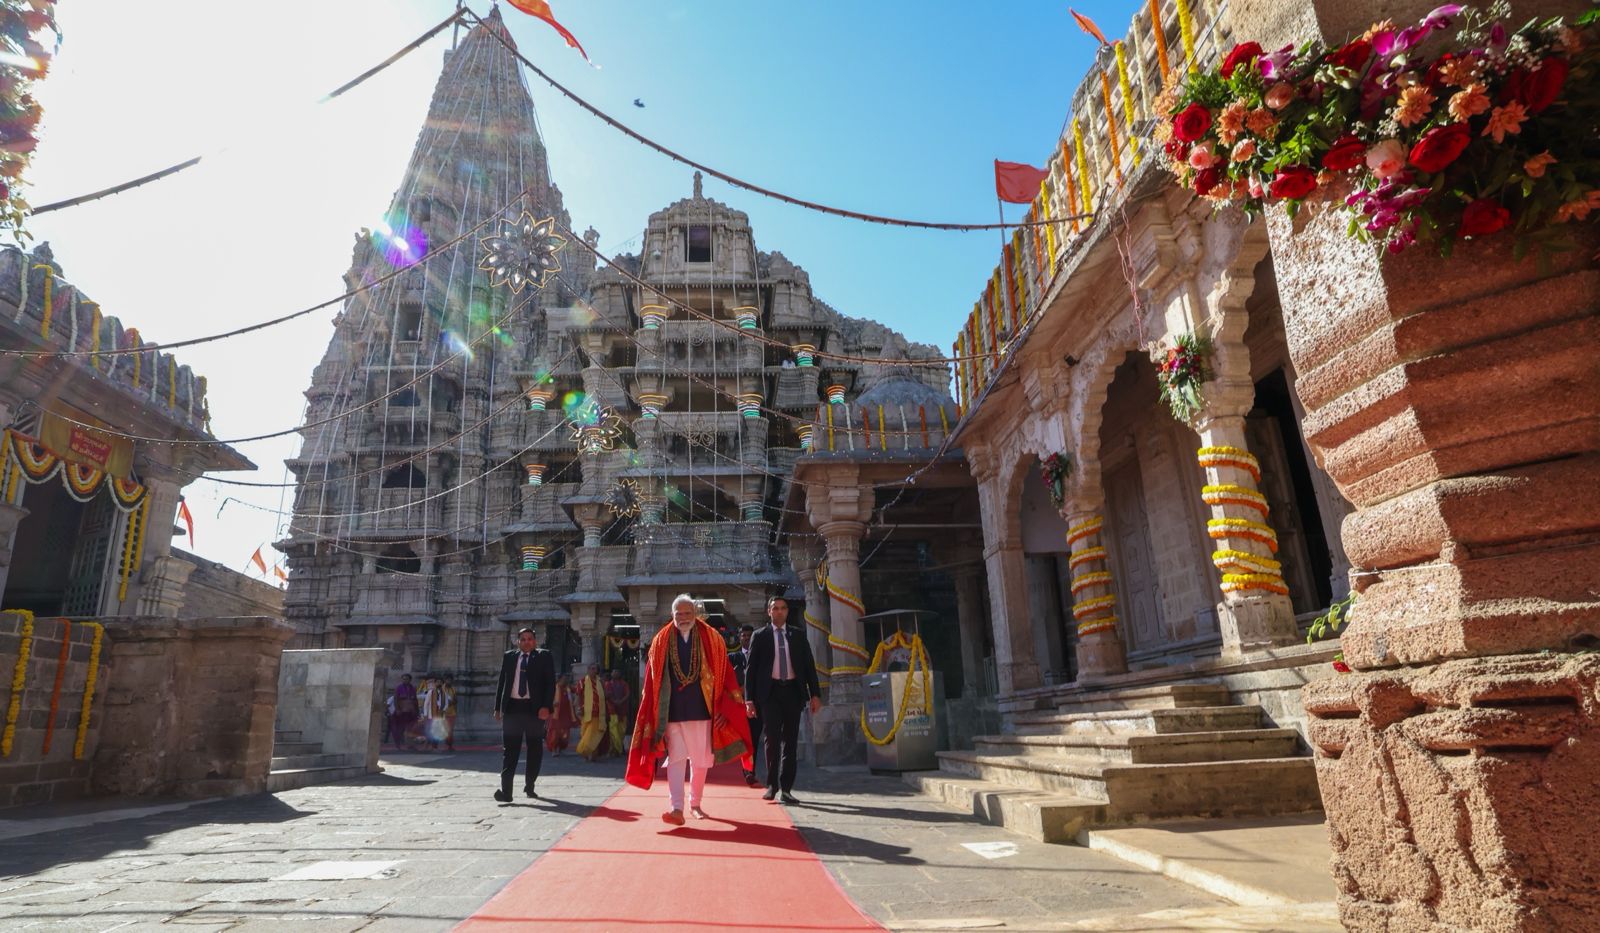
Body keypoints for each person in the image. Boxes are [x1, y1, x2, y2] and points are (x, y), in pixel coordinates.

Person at [626, 594, 751, 825]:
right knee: (676, 759)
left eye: (687, 613)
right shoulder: (661, 640)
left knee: (701, 760)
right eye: (679, 614)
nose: (683, 618)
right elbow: (652, 684)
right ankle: (676, 808)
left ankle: (695, 803)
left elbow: (726, 678)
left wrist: (725, 709)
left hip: (703, 710)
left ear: (694, 614)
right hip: (672, 712)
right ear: (671, 615)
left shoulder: (712, 638)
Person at [744, 596, 822, 804]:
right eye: (775, 608)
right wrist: (749, 700)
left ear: (787, 611)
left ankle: (787, 788)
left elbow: (808, 666)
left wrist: (815, 694)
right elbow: (750, 670)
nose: (779, 612)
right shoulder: (760, 636)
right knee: (772, 740)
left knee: (791, 740)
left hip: (793, 692)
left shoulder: (797, 635)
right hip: (769, 694)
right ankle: (772, 785)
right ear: (769, 611)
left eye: (783, 608)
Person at [493, 627, 555, 801]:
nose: (526, 642)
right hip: (512, 708)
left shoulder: (543, 656)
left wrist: (546, 707)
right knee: (510, 750)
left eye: (530, 639)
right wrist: (498, 707)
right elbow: (502, 683)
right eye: (523, 639)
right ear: (518, 641)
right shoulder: (509, 657)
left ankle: (530, 786)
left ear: (535, 641)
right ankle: (506, 792)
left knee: (534, 749)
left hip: (533, 709)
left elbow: (550, 683)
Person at [728, 625, 763, 788]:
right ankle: (745, 769)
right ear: (739, 638)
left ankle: (750, 770)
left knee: (754, 739)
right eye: (744, 635)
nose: (747, 638)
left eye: (750, 635)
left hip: (757, 705)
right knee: (742, 739)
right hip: (738, 706)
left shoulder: (761, 657)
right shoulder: (733, 658)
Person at [576, 665, 608, 761]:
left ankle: (591, 754)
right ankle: (585, 752)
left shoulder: (600, 682)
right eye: (592, 669)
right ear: (588, 670)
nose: (594, 671)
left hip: (599, 713)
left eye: (596, 669)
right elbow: (578, 695)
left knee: (595, 735)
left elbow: (605, 695)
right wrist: (578, 708)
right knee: (586, 734)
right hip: (586, 712)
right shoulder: (582, 682)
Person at [545, 673, 575, 756]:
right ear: (560, 679)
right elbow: (547, 698)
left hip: (566, 715)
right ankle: (554, 749)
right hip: (556, 715)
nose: (566, 680)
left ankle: (559, 748)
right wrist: (551, 703)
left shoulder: (568, 688)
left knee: (565, 735)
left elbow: (578, 690)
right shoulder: (554, 688)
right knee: (555, 734)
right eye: (565, 679)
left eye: (567, 679)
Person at [605, 669, 631, 756]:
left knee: (621, 732)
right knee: (613, 731)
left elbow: (627, 694)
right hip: (612, 711)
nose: (615, 673)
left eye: (617, 672)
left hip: (622, 711)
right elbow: (607, 695)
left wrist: (620, 701)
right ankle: (617, 749)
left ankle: (617, 749)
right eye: (613, 672)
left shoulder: (624, 684)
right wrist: (614, 701)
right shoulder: (608, 684)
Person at [390, 674, 418, 748]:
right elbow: (396, 699)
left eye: (407, 679)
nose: (405, 680)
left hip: (411, 712)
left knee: (410, 729)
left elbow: (415, 700)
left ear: (410, 680)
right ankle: (398, 744)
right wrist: (397, 709)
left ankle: (410, 744)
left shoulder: (413, 688)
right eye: (404, 679)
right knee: (400, 729)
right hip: (402, 712)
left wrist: (416, 710)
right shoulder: (399, 688)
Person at [439, 676, 458, 751]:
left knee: (450, 730)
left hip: (452, 712)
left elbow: (456, 700)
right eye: (447, 680)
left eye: (450, 680)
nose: (449, 682)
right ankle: (440, 745)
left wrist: (452, 702)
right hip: (443, 713)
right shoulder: (441, 689)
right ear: (445, 680)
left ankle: (449, 745)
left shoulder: (453, 689)